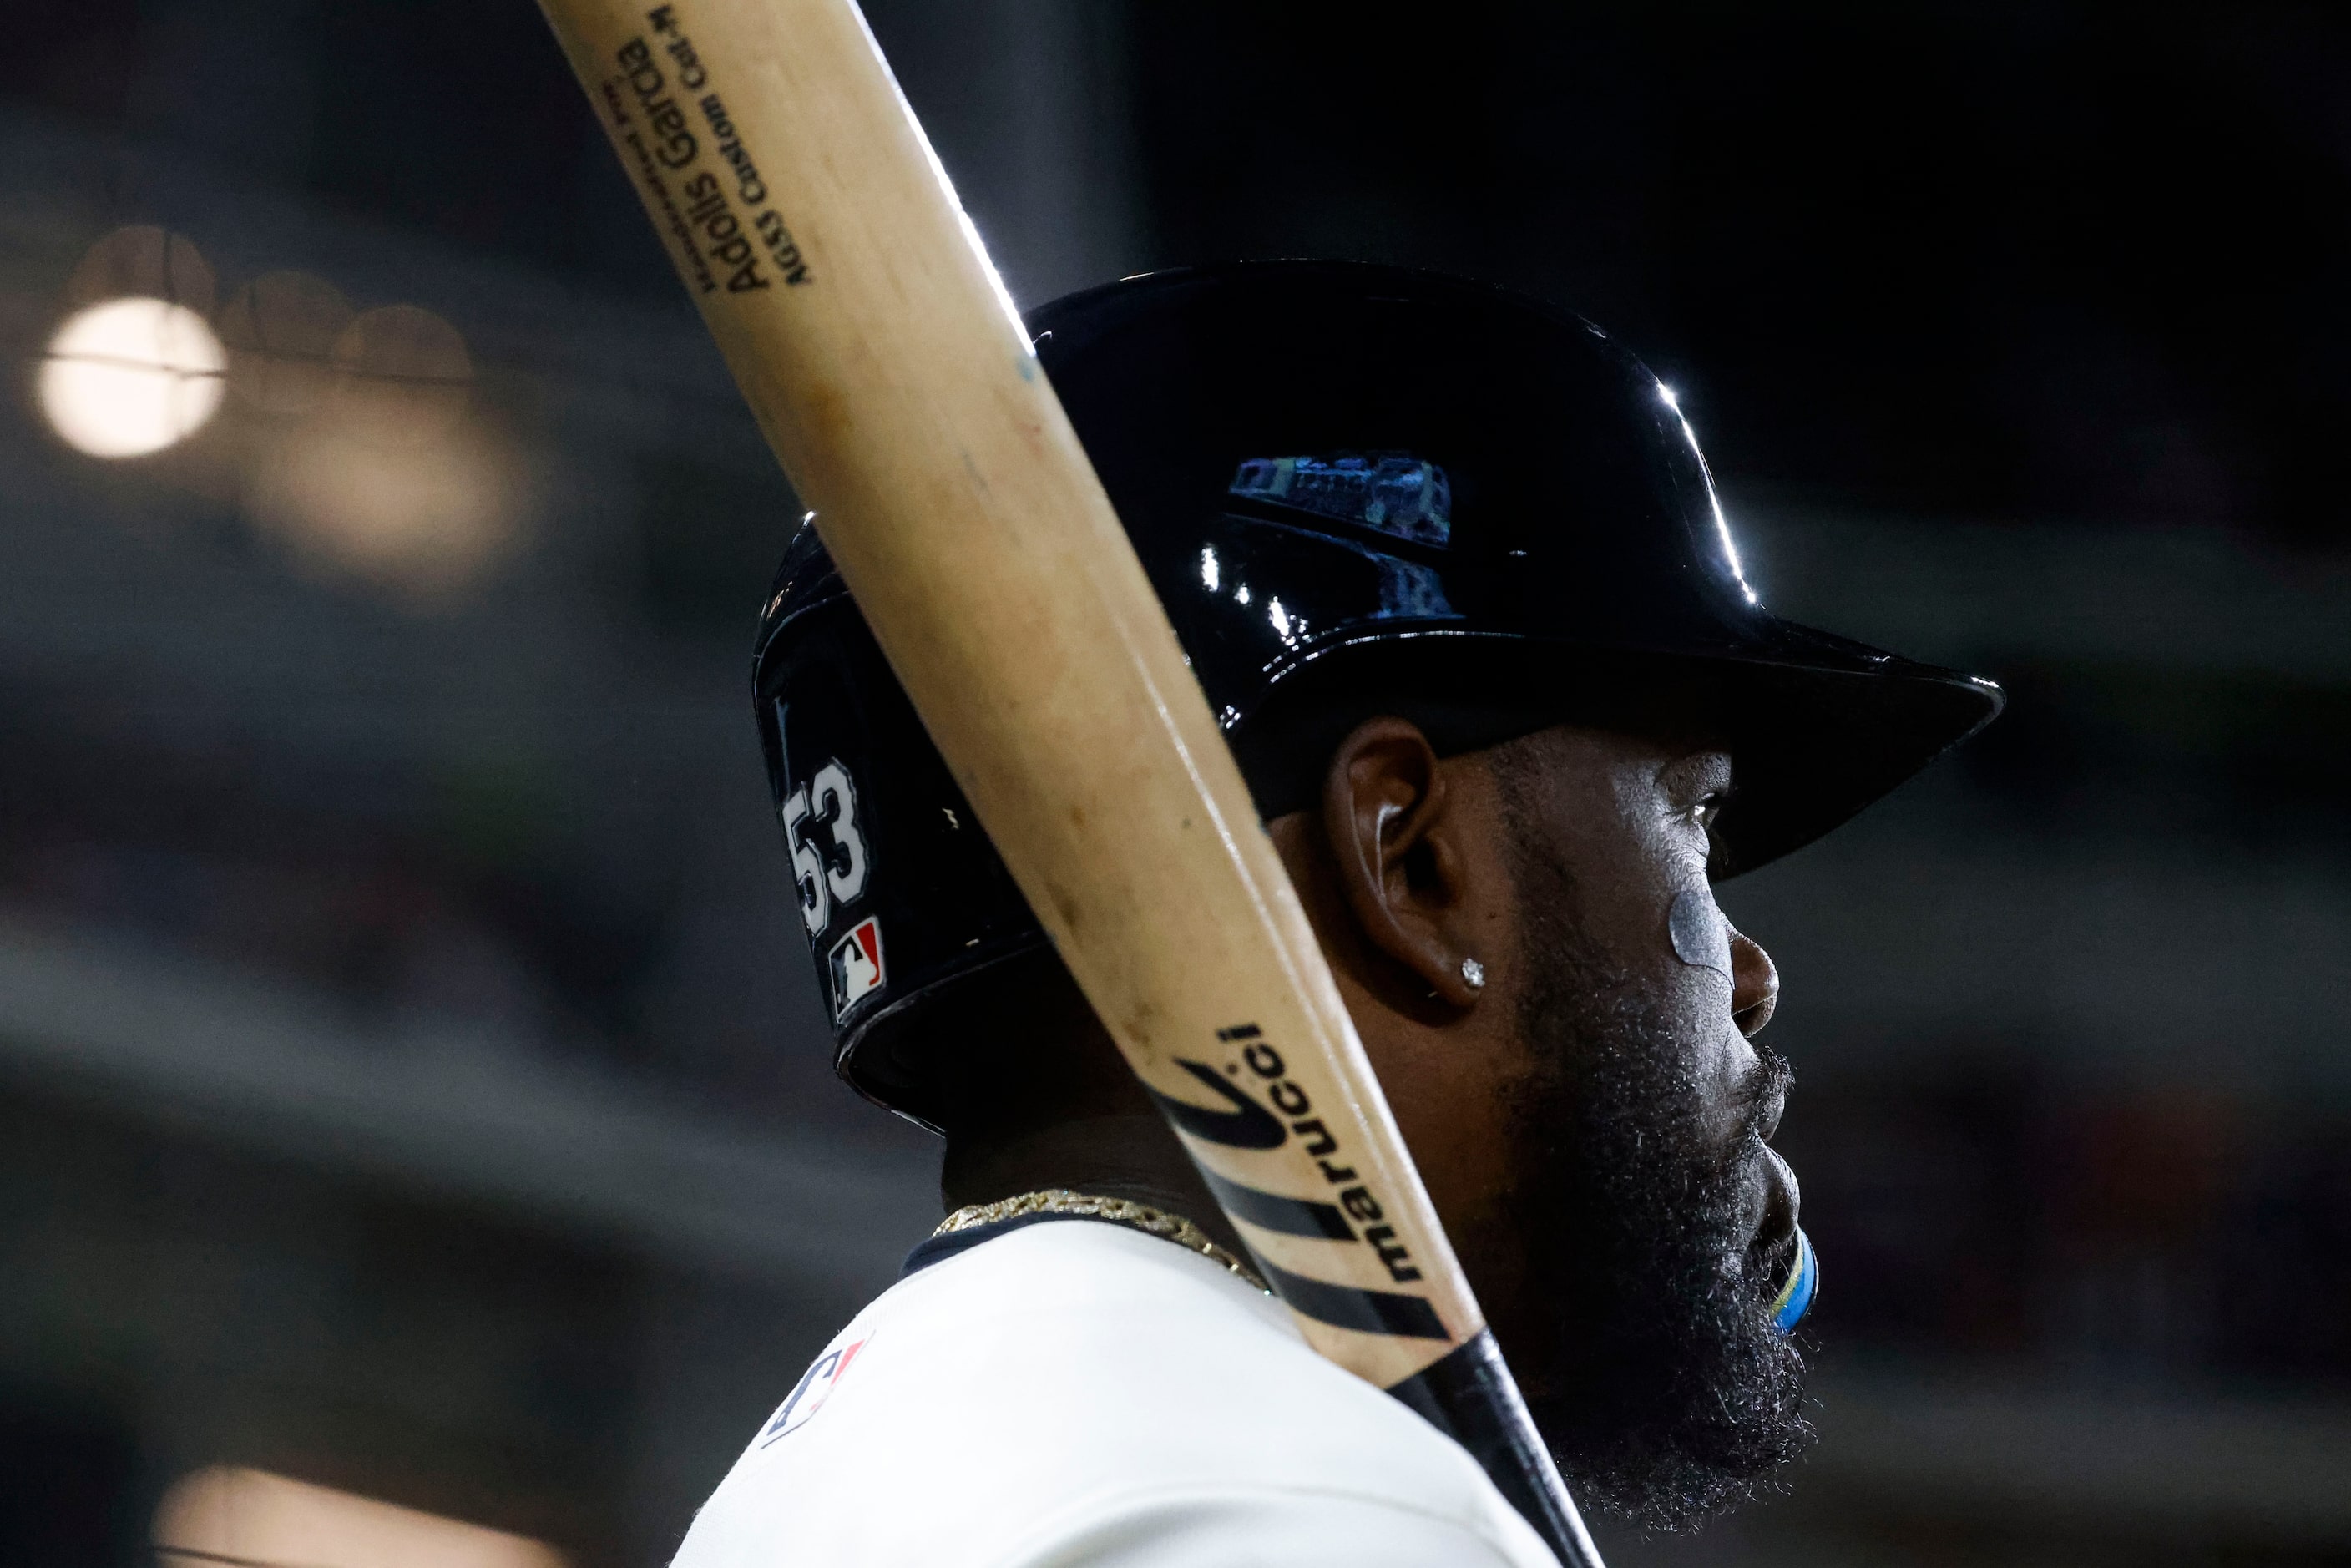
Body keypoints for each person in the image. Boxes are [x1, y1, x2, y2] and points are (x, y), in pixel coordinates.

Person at [675, 262, 2000, 1565]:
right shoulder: (1321, 1506)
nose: (1753, 971)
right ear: (1411, 863)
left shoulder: (806, 1479)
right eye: (1692, 819)